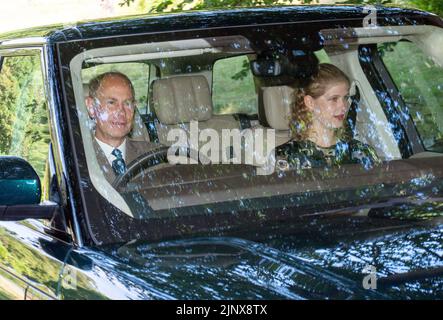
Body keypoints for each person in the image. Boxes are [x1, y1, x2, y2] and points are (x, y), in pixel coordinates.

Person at [276, 63, 380, 171]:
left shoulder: (362, 152)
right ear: (310, 102)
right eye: (334, 99)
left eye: (345, 97)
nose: (344, 106)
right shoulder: (285, 158)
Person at [85, 72, 157, 184]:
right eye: (111, 103)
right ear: (91, 107)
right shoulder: (78, 160)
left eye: (127, 103)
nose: (121, 112)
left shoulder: (156, 155)